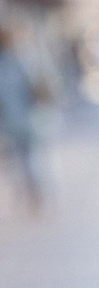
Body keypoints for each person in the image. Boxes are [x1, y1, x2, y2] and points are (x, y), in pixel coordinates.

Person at [0, 15, 44, 208]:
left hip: (15, 121)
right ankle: (29, 188)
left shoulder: (15, 62)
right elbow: (31, 87)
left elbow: (31, 88)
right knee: (23, 157)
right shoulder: (16, 62)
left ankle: (29, 189)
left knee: (21, 157)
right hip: (16, 121)